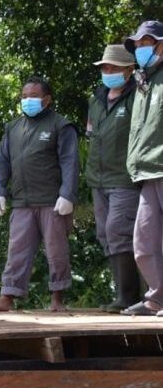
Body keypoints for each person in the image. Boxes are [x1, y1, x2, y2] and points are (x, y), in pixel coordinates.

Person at [0, 76, 79, 312]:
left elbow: (70, 162)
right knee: (16, 250)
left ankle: (57, 299)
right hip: (22, 202)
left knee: (57, 251)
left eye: (33, 97)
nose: (27, 101)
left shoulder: (60, 125)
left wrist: (67, 195)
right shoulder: (14, 127)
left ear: (47, 100)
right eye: (24, 97)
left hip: (52, 201)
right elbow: (2, 162)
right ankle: (8, 296)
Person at [86, 44, 141, 313]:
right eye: (104, 67)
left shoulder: (137, 97)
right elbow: (91, 136)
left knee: (119, 231)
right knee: (106, 236)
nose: (107, 72)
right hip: (98, 178)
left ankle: (130, 296)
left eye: (113, 67)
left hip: (124, 177)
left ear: (129, 70)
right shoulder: (96, 99)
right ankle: (122, 294)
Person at [121, 20, 163, 317]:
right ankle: (157, 297)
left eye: (146, 42)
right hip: (147, 171)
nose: (140, 49)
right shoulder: (143, 81)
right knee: (143, 241)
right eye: (137, 44)